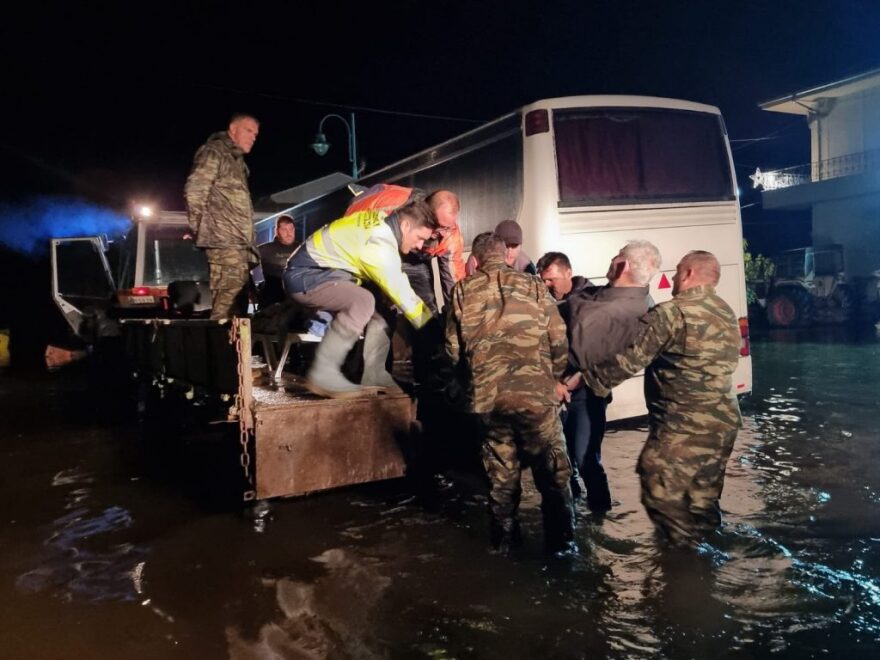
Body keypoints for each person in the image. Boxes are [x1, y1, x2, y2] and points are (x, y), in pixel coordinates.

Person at [580, 250, 742, 545]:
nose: (675, 278)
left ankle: (682, 562)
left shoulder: (671, 313)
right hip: (724, 425)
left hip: (683, 426)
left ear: (689, 273)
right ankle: (710, 557)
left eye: (678, 271)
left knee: (657, 486)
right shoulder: (726, 311)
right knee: (703, 500)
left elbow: (630, 360)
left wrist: (585, 381)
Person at [445, 232, 576, 556]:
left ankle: (504, 547)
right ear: (506, 256)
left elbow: (451, 349)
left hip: (489, 400)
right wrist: (553, 378)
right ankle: (562, 547)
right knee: (554, 474)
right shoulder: (532, 285)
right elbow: (559, 337)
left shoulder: (462, 291)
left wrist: (470, 381)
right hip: (536, 398)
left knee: (502, 477)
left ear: (474, 261)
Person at [283, 200, 438, 398]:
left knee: (385, 306)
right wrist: (433, 330)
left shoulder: (382, 220)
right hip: (306, 277)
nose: (420, 246)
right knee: (363, 301)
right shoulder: (379, 244)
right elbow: (405, 296)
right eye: (419, 238)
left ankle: (374, 374)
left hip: (320, 272)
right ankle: (324, 372)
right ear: (406, 225)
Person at [561, 241, 661, 512]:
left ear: (623, 265)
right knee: (567, 458)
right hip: (572, 388)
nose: (612, 259)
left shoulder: (626, 308)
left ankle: (598, 512)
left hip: (585, 391)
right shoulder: (610, 294)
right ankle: (580, 507)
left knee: (584, 459)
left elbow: (578, 319)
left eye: (617, 256)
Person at [184, 113, 260, 319]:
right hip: (224, 240)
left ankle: (235, 348)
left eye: (256, 133)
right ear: (233, 129)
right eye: (249, 130)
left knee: (239, 301)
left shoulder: (236, 161)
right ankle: (222, 348)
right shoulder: (214, 152)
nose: (253, 136)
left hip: (239, 243)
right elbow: (195, 190)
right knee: (227, 301)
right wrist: (201, 229)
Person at [346, 184, 464, 311]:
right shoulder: (392, 204)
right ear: (425, 211)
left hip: (413, 260)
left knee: (426, 307)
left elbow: (454, 280)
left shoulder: (450, 236)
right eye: (439, 226)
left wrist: (458, 314)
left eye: (447, 227)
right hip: (378, 250)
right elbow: (351, 223)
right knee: (377, 305)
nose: (443, 233)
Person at [465, 220, 536, 276]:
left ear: (521, 244)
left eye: (514, 246)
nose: (509, 252)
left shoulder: (527, 267)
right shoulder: (478, 258)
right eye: (505, 246)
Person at [257, 214, 299, 306]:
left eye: (291, 229)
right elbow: (245, 267)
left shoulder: (302, 249)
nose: (289, 233)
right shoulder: (264, 249)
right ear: (276, 231)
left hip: (296, 301)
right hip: (270, 301)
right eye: (284, 230)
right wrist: (251, 289)